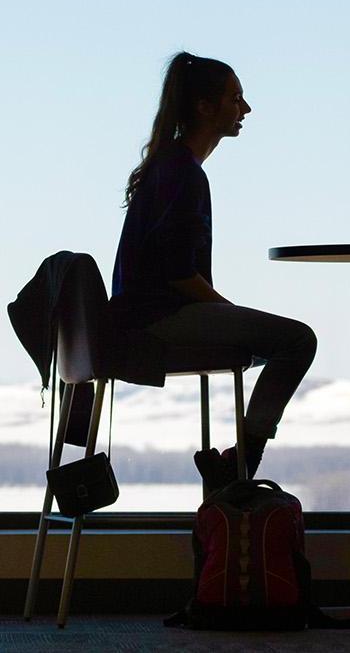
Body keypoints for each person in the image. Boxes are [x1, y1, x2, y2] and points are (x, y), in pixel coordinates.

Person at [111, 52, 317, 494]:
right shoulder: (183, 174)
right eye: (235, 98)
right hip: (157, 319)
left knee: (270, 343)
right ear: (205, 107)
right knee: (297, 341)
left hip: (140, 314)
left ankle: (239, 462)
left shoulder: (169, 167)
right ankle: (243, 462)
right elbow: (179, 274)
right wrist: (228, 309)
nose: (245, 109)